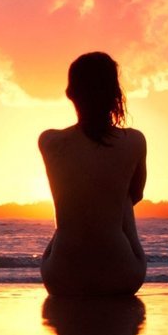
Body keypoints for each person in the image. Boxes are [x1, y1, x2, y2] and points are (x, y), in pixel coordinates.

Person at [38, 51, 147, 297]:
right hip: (123, 277)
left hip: (61, 279)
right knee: (123, 198)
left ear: (70, 94)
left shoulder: (49, 140)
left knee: (80, 198)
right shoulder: (135, 140)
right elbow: (136, 194)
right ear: (115, 95)